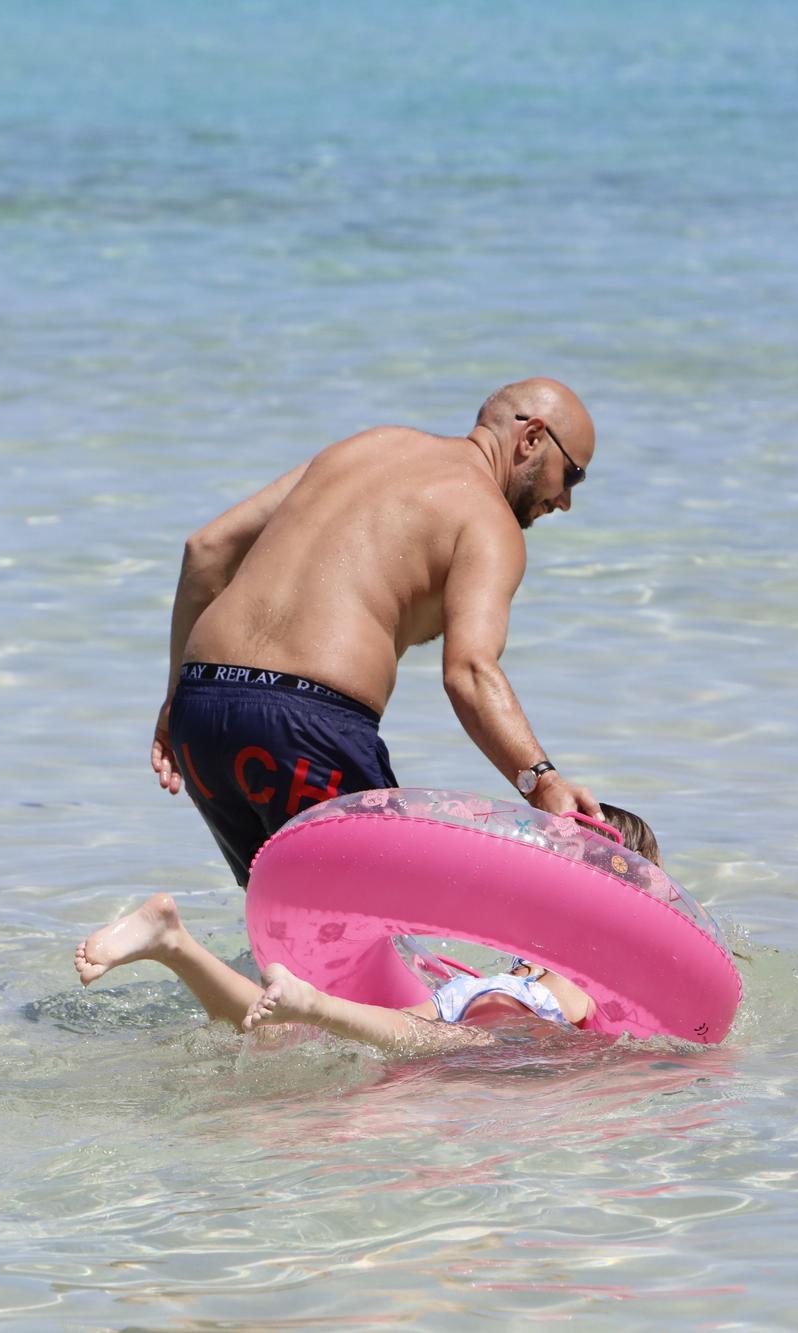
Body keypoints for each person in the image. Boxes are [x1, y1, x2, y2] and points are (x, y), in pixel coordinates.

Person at [151, 378, 603, 885]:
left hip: (202, 716)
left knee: (294, 932)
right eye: (573, 475)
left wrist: (175, 701)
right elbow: (470, 670)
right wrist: (541, 782)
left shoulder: (367, 445)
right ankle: (166, 936)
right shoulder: (487, 517)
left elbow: (206, 550)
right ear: (533, 437)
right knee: (381, 928)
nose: (565, 501)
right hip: (307, 728)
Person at [77, 807, 662, 1057]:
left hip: (480, 998)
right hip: (507, 1015)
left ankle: (174, 943)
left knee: (277, 1037)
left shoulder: (520, 965)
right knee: (452, 1047)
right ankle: (315, 1003)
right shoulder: (581, 978)